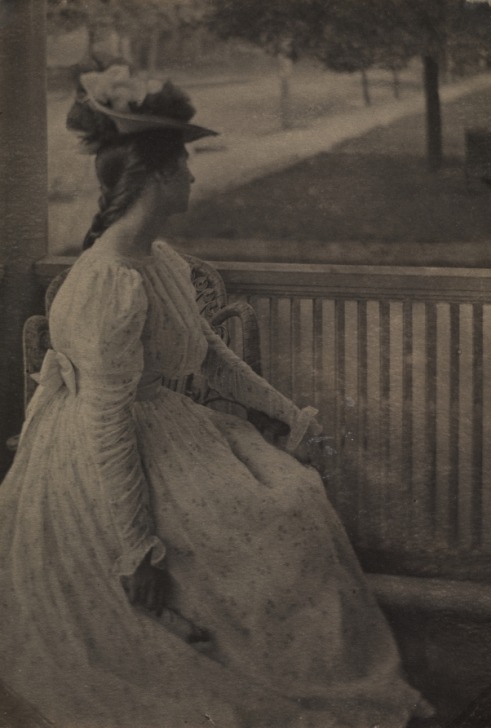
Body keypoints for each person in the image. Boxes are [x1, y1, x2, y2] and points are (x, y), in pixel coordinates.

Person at [0, 64, 439, 728]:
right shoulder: (109, 283)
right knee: (258, 527)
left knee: (291, 493)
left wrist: (288, 414)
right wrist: (135, 548)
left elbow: (213, 359)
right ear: (157, 177)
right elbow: (108, 424)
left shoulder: (161, 259)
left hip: (165, 427)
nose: (195, 178)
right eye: (186, 165)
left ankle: (286, 662)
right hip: (99, 461)